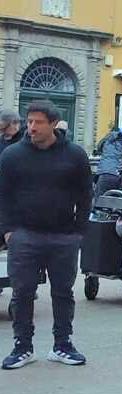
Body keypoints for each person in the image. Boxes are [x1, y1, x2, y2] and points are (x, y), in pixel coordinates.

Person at [0, 100, 92, 369]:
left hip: (63, 237)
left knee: (63, 293)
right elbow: (3, 195)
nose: (31, 127)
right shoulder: (12, 156)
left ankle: (62, 345)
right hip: (24, 236)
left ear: (53, 124)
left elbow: (86, 194)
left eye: (38, 122)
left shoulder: (75, 155)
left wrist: (79, 231)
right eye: (29, 121)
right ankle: (23, 347)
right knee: (22, 293)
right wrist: (8, 231)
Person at [94, 127, 122, 198]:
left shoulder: (107, 141)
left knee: (99, 199)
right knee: (115, 199)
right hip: (118, 175)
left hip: (105, 173)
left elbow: (99, 147)